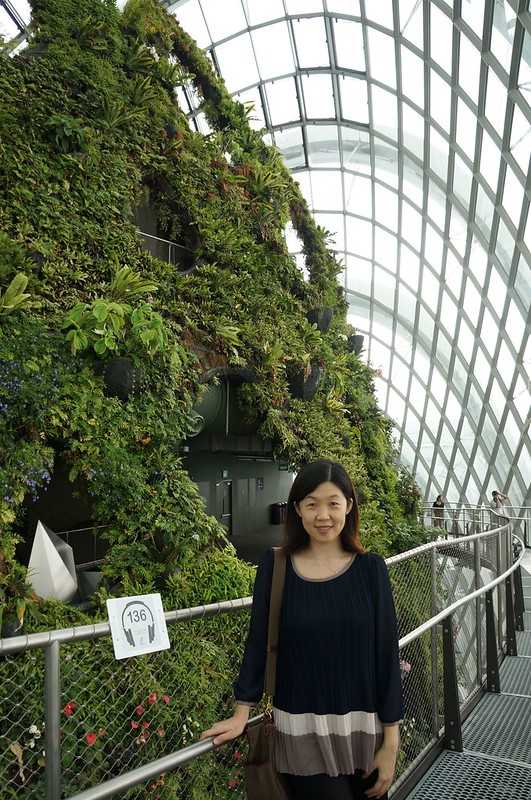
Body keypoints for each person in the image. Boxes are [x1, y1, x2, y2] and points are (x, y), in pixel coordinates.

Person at [200, 459, 404, 800]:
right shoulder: (277, 566)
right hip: (301, 733)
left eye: (333, 504)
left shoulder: (371, 570)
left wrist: (391, 741)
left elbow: (386, 655)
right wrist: (241, 713)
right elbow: (258, 641)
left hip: (364, 734)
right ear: (297, 509)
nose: (323, 516)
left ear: (349, 506)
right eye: (312, 505)